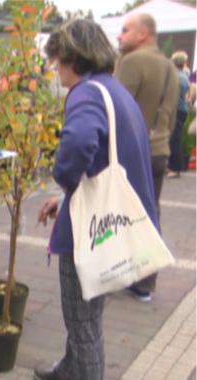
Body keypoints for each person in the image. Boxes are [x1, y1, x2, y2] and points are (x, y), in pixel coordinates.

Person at [35, 19, 158, 380]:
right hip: (114, 220)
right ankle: (69, 370)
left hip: (92, 230)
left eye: (57, 60)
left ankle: (82, 371)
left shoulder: (85, 94)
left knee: (83, 323)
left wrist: (63, 177)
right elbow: (105, 156)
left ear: (73, 57)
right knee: (89, 316)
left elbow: (78, 145)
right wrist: (69, 195)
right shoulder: (114, 90)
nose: (55, 68)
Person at [115, 13, 179, 301]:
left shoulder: (131, 62)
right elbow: (172, 115)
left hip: (132, 152)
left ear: (143, 34)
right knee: (151, 214)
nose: (119, 35)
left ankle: (114, 272)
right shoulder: (170, 67)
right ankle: (145, 282)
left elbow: (114, 108)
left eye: (125, 30)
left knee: (118, 215)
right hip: (160, 150)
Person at [167, 51, 190, 178]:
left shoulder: (175, 77)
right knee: (175, 137)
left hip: (175, 109)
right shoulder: (184, 76)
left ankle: (175, 168)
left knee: (174, 139)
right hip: (183, 109)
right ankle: (172, 166)